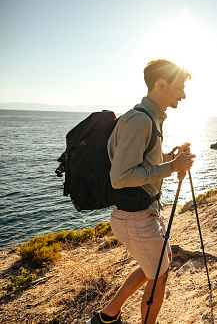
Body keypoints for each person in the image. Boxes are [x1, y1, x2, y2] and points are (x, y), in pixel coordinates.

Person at [87, 59, 196, 324]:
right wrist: (172, 166)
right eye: (179, 87)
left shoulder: (150, 119)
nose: (183, 94)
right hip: (135, 218)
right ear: (161, 84)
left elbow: (142, 165)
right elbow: (121, 177)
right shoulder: (140, 121)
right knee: (159, 274)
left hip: (142, 214)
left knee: (161, 262)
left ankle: (107, 316)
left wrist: (171, 157)